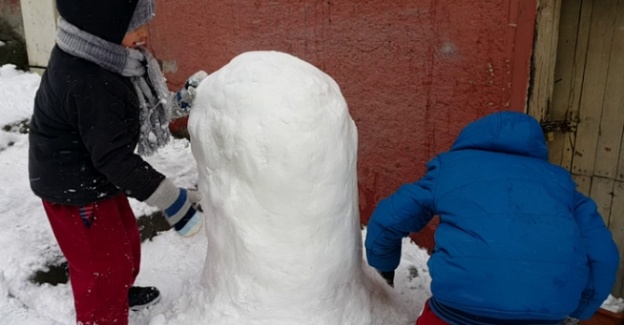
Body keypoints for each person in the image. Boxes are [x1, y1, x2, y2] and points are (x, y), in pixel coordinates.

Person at [28, 0, 207, 324]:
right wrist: (172, 199)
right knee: (101, 265)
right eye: (132, 25)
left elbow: (128, 115)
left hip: (94, 170)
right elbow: (114, 158)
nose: (143, 32)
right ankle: (102, 312)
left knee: (124, 243)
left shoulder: (108, 56)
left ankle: (118, 290)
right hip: (73, 185)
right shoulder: (89, 79)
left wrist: (175, 105)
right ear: (103, 28)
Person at [365, 111, 619, 325]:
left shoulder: (451, 169)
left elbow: (390, 218)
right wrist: (580, 310)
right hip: (544, 315)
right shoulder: (560, 182)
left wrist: (384, 269)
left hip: (458, 313)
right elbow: (603, 255)